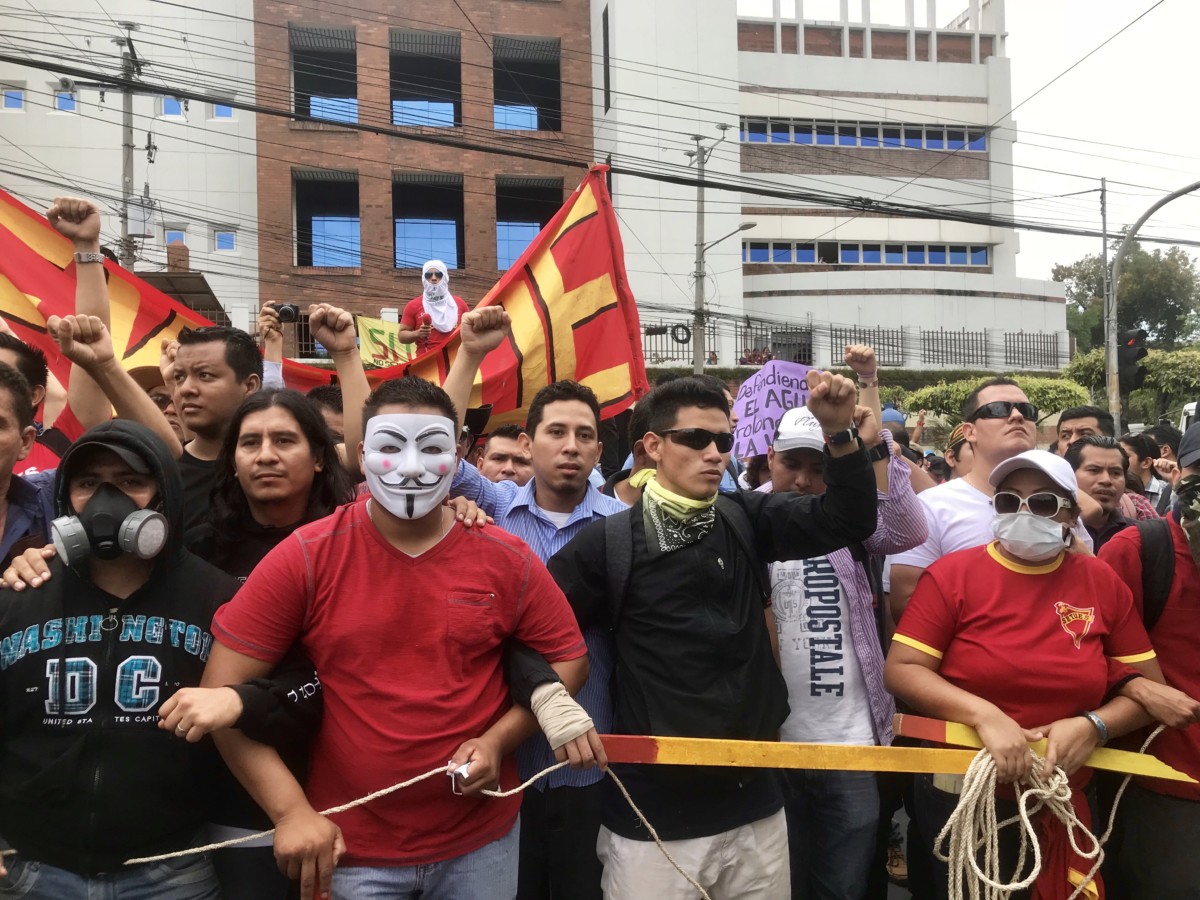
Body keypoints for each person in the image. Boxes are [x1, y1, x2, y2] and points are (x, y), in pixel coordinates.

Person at [202, 375, 591, 900]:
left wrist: (500, 740)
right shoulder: (306, 556)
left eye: (430, 449)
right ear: (363, 455)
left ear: (458, 456)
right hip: (351, 849)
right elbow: (220, 699)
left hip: (482, 843)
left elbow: (570, 658)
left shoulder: (506, 557)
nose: (410, 467)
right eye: (390, 447)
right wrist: (290, 812)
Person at [548, 373, 878, 899]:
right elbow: (531, 629)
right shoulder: (609, 543)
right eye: (696, 439)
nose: (714, 453)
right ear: (652, 446)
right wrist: (549, 702)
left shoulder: (743, 515)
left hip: (756, 803)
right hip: (652, 816)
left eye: (723, 441)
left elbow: (847, 520)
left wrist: (839, 433)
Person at [886, 449, 1165, 900]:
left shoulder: (1100, 580)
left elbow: (1150, 689)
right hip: (965, 794)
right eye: (1008, 501)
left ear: (1071, 515)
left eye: (1041, 503)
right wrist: (984, 716)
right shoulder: (952, 575)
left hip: (1065, 793)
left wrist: (1094, 725)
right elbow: (902, 670)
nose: (1021, 512)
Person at [0, 420, 241, 897]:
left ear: (163, 494)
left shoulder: (216, 597)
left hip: (169, 872)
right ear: (66, 499)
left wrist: (239, 699)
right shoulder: (21, 591)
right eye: (89, 483)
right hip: (32, 869)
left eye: (131, 481)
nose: (108, 499)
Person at [442, 308, 627, 900]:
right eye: (556, 432)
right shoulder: (491, 508)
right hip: (505, 763)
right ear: (528, 441)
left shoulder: (626, 529)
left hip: (591, 761)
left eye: (584, 435)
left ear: (600, 450)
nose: (570, 447)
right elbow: (436, 450)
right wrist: (468, 354)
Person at [762, 403, 927, 900]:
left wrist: (875, 447)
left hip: (851, 742)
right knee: (776, 885)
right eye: (793, 464)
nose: (804, 480)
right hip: (771, 744)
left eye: (820, 467)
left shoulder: (848, 524)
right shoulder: (744, 520)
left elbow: (907, 533)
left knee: (844, 887)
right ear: (770, 458)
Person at [1098, 424, 1200, 899]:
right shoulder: (1139, 551)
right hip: (1169, 784)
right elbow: (1085, 649)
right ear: (1178, 475)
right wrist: (1137, 686)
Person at [170, 326, 262, 529]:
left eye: (204, 375)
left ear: (250, 386)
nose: (186, 389)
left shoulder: (275, 468)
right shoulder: (162, 473)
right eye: (179, 377)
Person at [1065, 435, 1132, 553]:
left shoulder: (1139, 535)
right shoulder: (1052, 535)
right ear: (1069, 475)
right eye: (1094, 470)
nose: (1106, 480)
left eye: (1115, 473)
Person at [397, 259, 468, 353]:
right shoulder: (413, 305)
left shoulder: (459, 304)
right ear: (423, 278)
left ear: (445, 276)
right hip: (428, 363)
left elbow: (471, 329)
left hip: (456, 361)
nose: (433, 278)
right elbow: (401, 336)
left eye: (438, 274)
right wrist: (417, 334)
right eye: (428, 275)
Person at [1120, 431, 1173, 516]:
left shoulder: (1168, 494)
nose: (1119, 461)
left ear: (1146, 462)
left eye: (1125, 457)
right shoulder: (1115, 491)